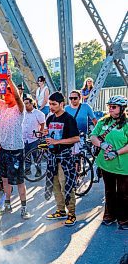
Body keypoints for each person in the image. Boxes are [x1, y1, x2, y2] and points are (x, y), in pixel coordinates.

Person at [0, 71, 31, 219]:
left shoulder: (19, 108)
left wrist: (9, 79)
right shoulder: (3, 106)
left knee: (19, 181)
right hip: (5, 150)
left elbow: (18, 97)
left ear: (14, 94)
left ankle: (24, 208)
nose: (5, 95)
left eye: (8, 92)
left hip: (17, 151)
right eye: (4, 93)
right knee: (5, 179)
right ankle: (7, 204)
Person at [90, 95, 127, 230]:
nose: (110, 109)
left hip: (123, 166)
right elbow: (93, 136)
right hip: (106, 164)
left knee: (123, 193)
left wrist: (116, 153)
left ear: (122, 109)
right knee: (109, 191)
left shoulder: (127, 123)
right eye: (109, 106)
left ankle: (124, 219)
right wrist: (102, 144)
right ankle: (109, 216)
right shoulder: (103, 121)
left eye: (114, 107)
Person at [43, 92, 80, 227]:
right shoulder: (50, 118)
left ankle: (72, 214)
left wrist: (57, 141)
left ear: (61, 104)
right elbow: (50, 136)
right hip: (52, 157)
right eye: (50, 104)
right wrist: (46, 137)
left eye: (54, 104)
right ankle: (60, 210)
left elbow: (76, 138)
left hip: (65, 156)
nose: (51, 107)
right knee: (55, 185)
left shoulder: (68, 119)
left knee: (66, 185)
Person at [22, 96, 46, 176]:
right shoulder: (23, 113)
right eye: (24, 104)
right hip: (25, 138)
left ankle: (38, 171)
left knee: (36, 156)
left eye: (27, 103)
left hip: (34, 138)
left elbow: (43, 123)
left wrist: (41, 132)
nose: (25, 105)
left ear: (32, 103)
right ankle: (27, 170)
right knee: (26, 155)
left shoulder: (38, 113)